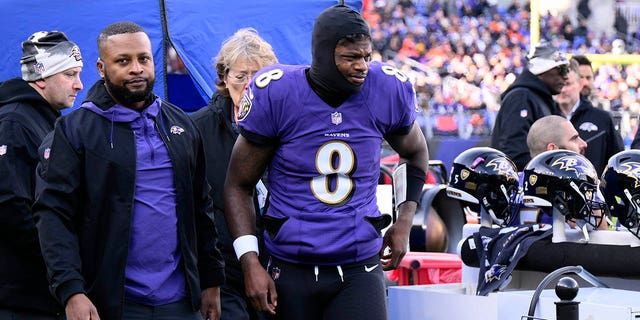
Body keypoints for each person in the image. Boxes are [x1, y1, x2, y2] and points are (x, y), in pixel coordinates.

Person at [223, 4, 429, 320]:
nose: (362, 66)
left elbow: (416, 153)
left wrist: (404, 222)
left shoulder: (385, 88)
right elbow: (238, 185)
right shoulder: (278, 92)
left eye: (366, 56)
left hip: (359, 265)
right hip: (291, 266)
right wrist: (250, 261)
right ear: (322, 55)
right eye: (350, 57)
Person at [33, 21, 224, 320]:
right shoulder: (74, 131)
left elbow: (201, 205)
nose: (136, 68)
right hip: (112, 303)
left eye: (143, 59)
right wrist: (72, 291)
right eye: (123, 61)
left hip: (181, 302)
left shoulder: (181, 125)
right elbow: (54, 215)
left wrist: (211, 279)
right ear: (101, 67)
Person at [190, 28, 277, 320]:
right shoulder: (196, 130)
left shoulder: (290, 127)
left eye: (259, 76)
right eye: (241, 76)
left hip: (278, 263)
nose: (250, 85)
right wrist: (207, 278)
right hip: (223, 269)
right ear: (224, 78)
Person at [0, 31, 83, 320]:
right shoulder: (14, 123)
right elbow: (11, 206)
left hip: (43, 292)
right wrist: (60, 261)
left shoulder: (45, 119)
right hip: (22, 298)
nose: (79, 85)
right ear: (41, 77)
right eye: (70, 74)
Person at [491, 40, 569, 170]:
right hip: (524, 186)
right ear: (542, 70)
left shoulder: (541, 100)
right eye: (562, 69)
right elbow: (514, 154)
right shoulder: (521, 98)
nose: (565, 77)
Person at [555, 57, 623, 176]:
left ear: (579, 84)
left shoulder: (602, 119)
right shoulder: (544, 116)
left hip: (592, 191)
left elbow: (617, 161)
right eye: (559, 84)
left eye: (567, 84)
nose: (562, 89)